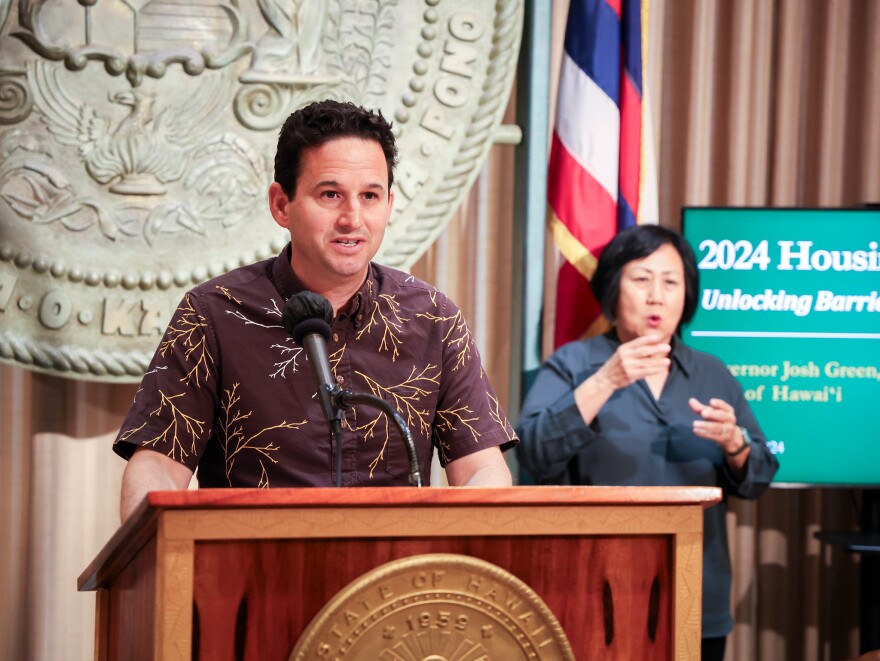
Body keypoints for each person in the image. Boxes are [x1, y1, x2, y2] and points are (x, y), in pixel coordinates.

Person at [115, 100, 516, 522]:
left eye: (369, 196)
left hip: (396, 579)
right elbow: (158, 463)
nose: (352, 218)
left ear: (389, 205)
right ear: (281, 205)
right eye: (330, 195)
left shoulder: (432, 317)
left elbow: (482, 467)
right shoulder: (214, 314)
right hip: (248, 575)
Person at [516, 224, 778, 661]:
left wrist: (736, 443)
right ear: (613, 288)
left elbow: (759, 477)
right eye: (642, 279)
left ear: (687, 295)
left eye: (671, 282)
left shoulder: (712, 372)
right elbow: (533, 453)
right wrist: (606, 381)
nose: (657, 295)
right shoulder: (574, 364)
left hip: (695, 592)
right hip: (591, 591)